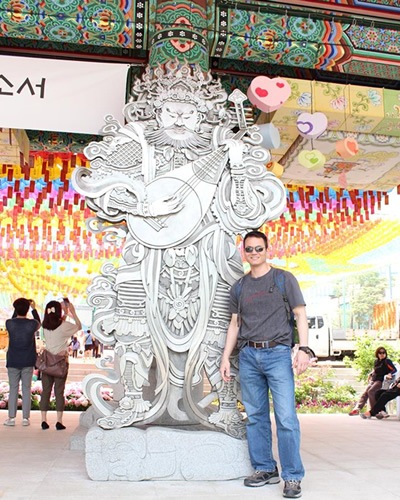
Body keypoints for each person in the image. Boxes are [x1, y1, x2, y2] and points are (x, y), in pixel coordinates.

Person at [220, 230, 311, 499]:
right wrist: (226, 356)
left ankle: (292, 476)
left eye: (259, 249)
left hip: (278, 355)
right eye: (249, 249)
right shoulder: (239, 287)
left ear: (267, 249)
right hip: (248, 356)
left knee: (285, 418)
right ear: (244, 252)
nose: (254, 253)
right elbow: (234, 324)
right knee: (256, 416)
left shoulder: (284, 279)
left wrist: (303, 349)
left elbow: (300, 314)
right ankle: (264, 468)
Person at [40, 300, 81, 430]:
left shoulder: (45, 325)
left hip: (47, 363)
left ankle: (43, 420)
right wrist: (71, 312)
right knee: (59, 392)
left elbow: (56, 323)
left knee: (45, 392)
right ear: (58, 311)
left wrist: (65, 313)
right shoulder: (64, 326)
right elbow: (78, 326)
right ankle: (59, 421)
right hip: (60, 363)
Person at [4, 298, 41, 427]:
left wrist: (18, 308)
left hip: (13, 360)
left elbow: (14, 319)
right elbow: (39, 322)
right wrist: (34, 309)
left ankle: (11, 418)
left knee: (13, 389)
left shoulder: (9, 323)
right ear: (27, 309)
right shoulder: (32, 324)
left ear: (15, 309)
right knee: (26, 389)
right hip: (28, 360)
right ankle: (26, 418)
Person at [349, 346, 396, 416]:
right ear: (377, 354)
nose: (382, 354)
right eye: (380, 353)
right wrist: (371, 374)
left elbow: (394, 370)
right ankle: (357, 408)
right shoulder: (376, 361)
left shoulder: (387, 361)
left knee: (371, 391)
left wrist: (390, 374)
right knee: (365, 393)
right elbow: (375, 370)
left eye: (383, 352)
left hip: (380, 381)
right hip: (374, 380)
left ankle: (374, 411)